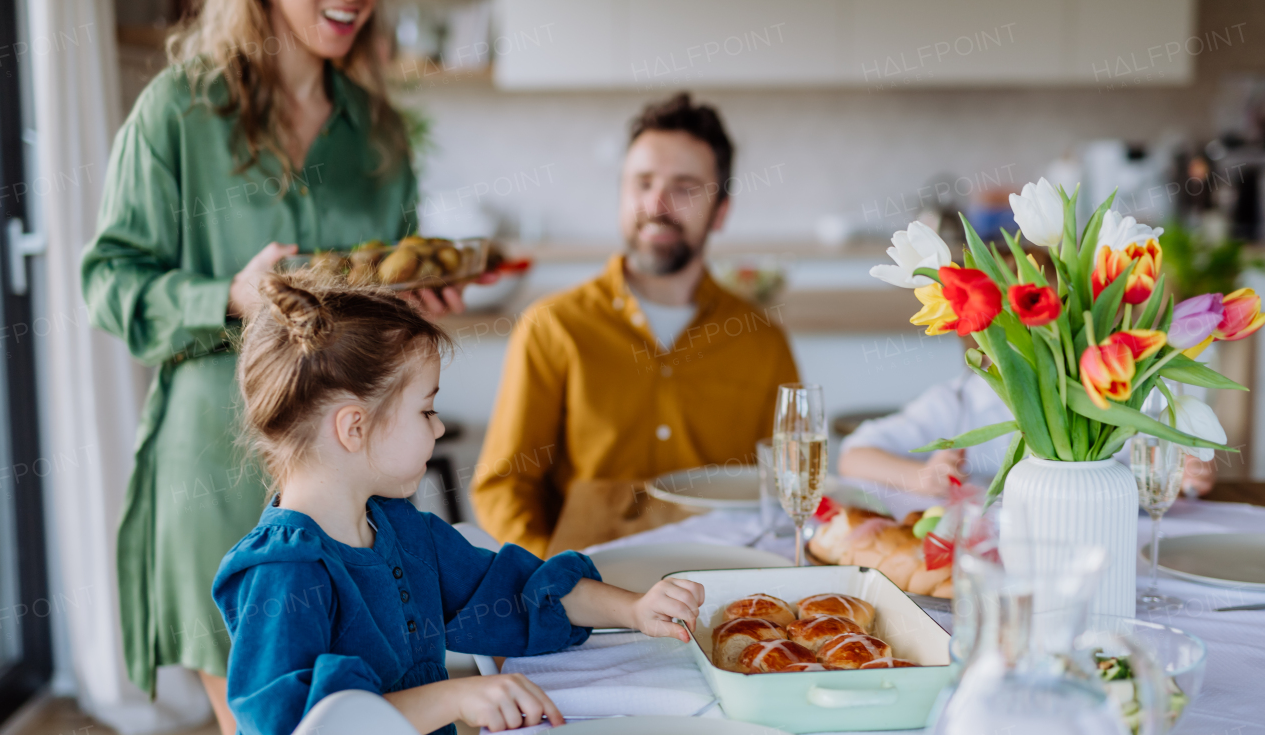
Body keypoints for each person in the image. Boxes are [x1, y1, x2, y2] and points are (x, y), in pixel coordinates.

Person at [196, 272, 704, 735]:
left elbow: (511, 591)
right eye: (426, 410)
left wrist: (634, 609)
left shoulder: (401, 530)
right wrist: (454, 698)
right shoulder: (280, 573)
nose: (438, 428)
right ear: (354, 427)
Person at [81, 0, 467, 735]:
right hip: (213, 468)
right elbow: (107, 282)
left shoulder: (378, 135)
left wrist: (412, 302)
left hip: (350, 475)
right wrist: (227, 295)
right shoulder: (177, 112)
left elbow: (377, 295)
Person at [471, 93, 799, 555]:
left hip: (719, 591)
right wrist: (551, 578)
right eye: (642, 183)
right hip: (583, 588)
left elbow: (787, 490)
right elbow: (504, 485)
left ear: (721, 211)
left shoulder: (763, 340)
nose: (656, 203)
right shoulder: (553, 327)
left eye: (685, 187)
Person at [839, 371, 1217, 497]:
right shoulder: (960, 401)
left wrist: (1186, 474)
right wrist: (920, 477)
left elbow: (1165, 467)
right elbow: (852, 455)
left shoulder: (1117, 400)